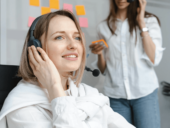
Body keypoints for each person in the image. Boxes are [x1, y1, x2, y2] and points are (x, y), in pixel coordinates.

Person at [0, 10, 135, 128]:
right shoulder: (23, 107)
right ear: (36, 48)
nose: (73, 45)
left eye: (77, 38)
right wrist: (55, 87)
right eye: (59, 37)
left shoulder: (88, 95)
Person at [90, 0, 164, 128]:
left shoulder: (150, 21)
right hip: (115, 95)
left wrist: (141, 23)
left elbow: (154, 59)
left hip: (144, 93)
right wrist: (99, 53)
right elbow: (104, 70)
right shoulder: (103, 27)